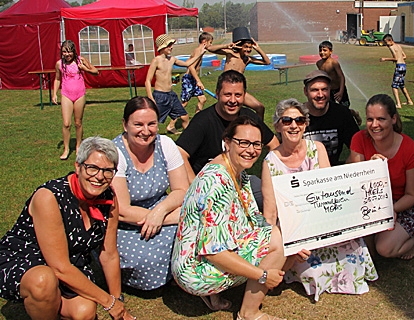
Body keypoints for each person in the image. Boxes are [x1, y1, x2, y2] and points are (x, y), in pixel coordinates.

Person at [0, 137, 134, 320]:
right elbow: (59, 267)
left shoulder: (108, 198)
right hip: (29, 261)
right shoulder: (50, 197)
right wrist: (108, 302)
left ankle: (52, 304)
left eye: (108, 171)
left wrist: (118, 301)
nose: (100, 176)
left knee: (85, 312)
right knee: (43, 281)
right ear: (78, 167)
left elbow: (108, 253)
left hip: (71, 264)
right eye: (92, 168)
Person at [261, 98, 378, 302]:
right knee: (308, 264)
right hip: (294, 226)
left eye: (299, 120)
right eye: (287, 120)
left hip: (321, 222)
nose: (293, 125)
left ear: (305, 124)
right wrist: (277, 247)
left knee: (350, 248)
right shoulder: (270, 162)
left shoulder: (317, 149)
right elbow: (270, 213)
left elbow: (330, 190)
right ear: (277, 125)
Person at [172, 116, 287, 319]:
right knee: (279, 238)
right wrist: (263, 274)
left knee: (283, 236)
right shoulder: (216, 182)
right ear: (227, 143)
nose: (250, 150)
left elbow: (252, 219)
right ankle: (248, 313)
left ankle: (217, 295)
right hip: (194, 270)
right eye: (243, 142)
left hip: (201, 255)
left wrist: (294, 245)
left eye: (256, 144)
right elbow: (213, 253)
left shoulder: (236, 171)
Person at [111, 96, 189, 290]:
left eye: (152, 124)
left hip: (163, 212)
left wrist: (159, 212)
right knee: (145, 260)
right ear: (125, 124)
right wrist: (168, 217)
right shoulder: (115, 152)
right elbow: (123, 210)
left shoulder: (165, 144)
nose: (146, 131)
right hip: (126, 223)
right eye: (138, 124)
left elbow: (181, 190)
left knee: (195, 237)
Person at [175, 70, 279, 210]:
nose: (232, 100)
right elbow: (180, 153)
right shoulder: (203, 121)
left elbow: (274, 145)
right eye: (227, 94)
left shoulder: (249, 118)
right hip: (210, 187)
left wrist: (271, 178)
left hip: (241, 183)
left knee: (276, 198)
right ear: (217, 94)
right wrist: (195, 187)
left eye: (238, 95)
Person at [350, 94, 414, 260]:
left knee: (384, 248)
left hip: (409, 203)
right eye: (370, 119)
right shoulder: (359, 139)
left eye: (381, 119)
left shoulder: (411, 149)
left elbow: (412, 195)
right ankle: (371, 254)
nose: (374, 125)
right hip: (376, 199)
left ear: (393, 119)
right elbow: (356, 183)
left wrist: (391, 210)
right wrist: (369, 168)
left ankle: (411, 242)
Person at [145, 34, 206, 134]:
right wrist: (151, 98)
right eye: (169, 45)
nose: (171, 47)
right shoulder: (156, 61)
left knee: (185, 116)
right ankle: (150, 138)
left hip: (171, 95)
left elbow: (187, 64)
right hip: (160, 96)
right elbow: (147, 80)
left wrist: (200, 54)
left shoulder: (172, 59)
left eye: (172, 45)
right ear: (162, 46)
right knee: (153, 120)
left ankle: (189, 138)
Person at [208, 27, 270, 119]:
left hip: (238, 89)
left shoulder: (247, 59)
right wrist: (226, 46)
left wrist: (258, 48)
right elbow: (210, 48)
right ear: (240, 46)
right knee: (229, 113)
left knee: (260, 108)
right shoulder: (230, 53)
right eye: (246, 47)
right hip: (227, 87)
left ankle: (259, 130)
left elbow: (267, 62)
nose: (248, 50)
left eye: (250, 47)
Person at [52, 40, 98, 160]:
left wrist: (84, 69)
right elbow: (57, 79)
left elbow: (96, 72)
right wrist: (54, 93)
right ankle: (66, 149)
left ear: (73, 51)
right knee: (66, 123)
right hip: (66, 94)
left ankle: (78, 146)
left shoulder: (80, 60)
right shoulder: (59, 64)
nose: (67, 55)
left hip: (79, 94)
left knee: (78, 123)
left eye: (69, 52)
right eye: (64, 52)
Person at [302, 70, 359, 166]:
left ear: (330, 90)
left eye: (324, 89)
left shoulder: (341, 114)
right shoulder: (296, 117)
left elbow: (359, 148)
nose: (320, 95)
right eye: (315, 90)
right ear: (305, 91)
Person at [316, 40, 362, 125]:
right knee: (331, 108)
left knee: (344, 108)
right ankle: (335, 124)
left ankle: (354, 114)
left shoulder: (334, 63)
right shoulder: (318, 63)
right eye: (320, 50)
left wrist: (341, 91)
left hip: (339, 89)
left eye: (325, 50)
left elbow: (341, 76)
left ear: (331, 52)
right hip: (329, 90)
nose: (322, 52)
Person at [180, 32, 213, 114]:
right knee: (184, 103)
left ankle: (196, 119)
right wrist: (198, 81)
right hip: (188, 79)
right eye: (210, 43)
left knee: (202, 99)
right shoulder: (198, 51)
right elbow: (191, 67)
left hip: (193, 80)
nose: (211, 45)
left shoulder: (201, 51)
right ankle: (171, 125)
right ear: (204, 41)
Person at [380, 34, 414, 109]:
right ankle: (409, 101)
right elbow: (404, 56)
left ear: (390, 40)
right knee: (401, 85)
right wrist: (399, 59)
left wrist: (385, 59)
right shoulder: (398, 46)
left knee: (394, 86)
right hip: (404, 66)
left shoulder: (392, 47)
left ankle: (398, 104)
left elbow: (395, 58)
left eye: (386, 43)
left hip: (399, 67)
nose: (386, 45)